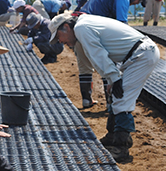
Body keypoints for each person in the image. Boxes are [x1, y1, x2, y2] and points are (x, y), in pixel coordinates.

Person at [49, 12, 160, 162]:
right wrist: (112, 79)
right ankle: (113, 136)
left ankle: (121, 147)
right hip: (136, 55)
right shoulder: (85, 24)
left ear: (66, 27)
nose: (61, 42)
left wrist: (114, 78)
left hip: (142, 55)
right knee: (116, 95)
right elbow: (106, 51)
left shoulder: (82, 28)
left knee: (122, 98)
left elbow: (98, 54)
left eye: (59, 37)